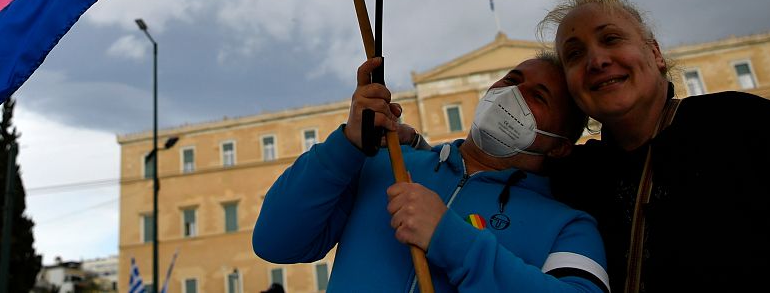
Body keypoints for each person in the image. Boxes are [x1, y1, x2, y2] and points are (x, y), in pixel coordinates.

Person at [542, 0, 770, 292]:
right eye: (574, 54)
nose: (597, 60)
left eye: (611, 39)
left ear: (656, 54)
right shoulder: (575, 177)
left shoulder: (747, 125)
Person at [253, 55, 611, 292]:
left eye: (538, 96)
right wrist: (345, 145)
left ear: (561, 145)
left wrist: (451, 240)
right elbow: (275, 241)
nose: (511, 94)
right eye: (511, 79)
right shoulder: (387, 163)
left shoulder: (570, 227)